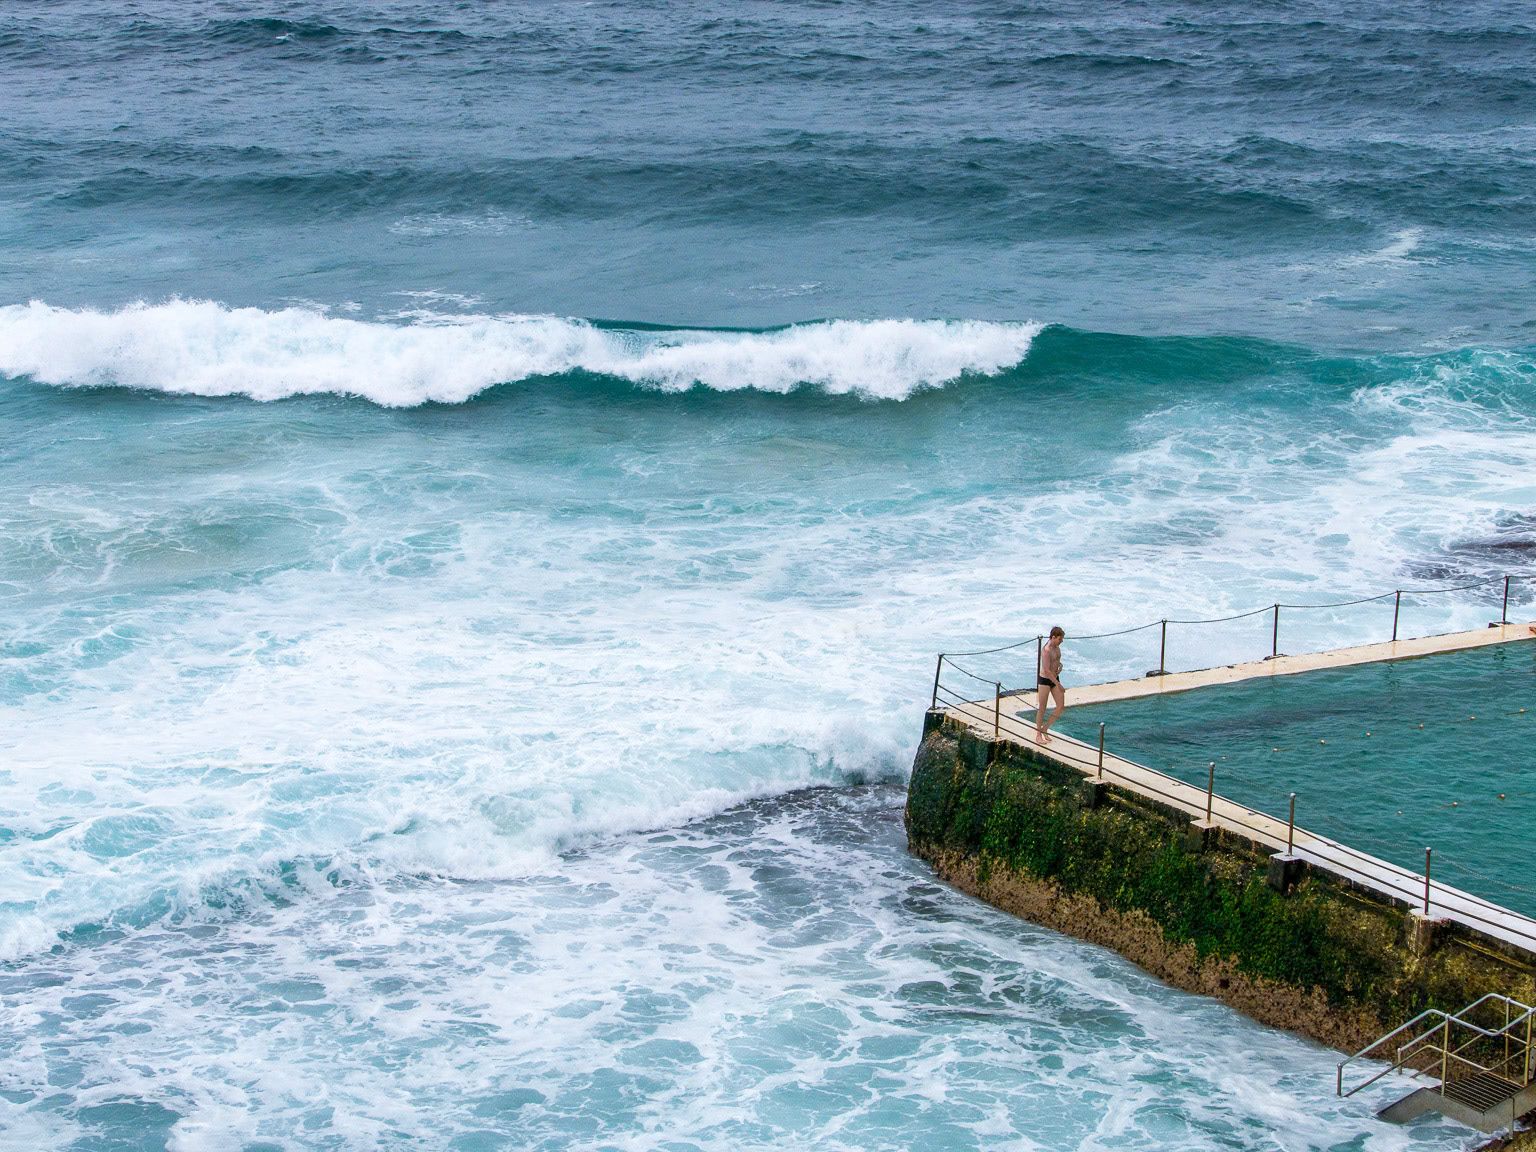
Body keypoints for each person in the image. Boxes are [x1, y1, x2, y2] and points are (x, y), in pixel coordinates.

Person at [1036, 626, 1066, 744]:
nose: (1061, 642)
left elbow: (1056, 661)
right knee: (1042, 708)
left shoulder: (1056, 647)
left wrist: (1060, 666)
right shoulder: (1046, 650)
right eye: (1059, 639)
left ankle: (1045, 728)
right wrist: (1058, 684)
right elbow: (1047, 670)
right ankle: (1038, 734)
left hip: (1054, 678)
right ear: (1053, 637)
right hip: (1045, 680)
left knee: (1061, 707)